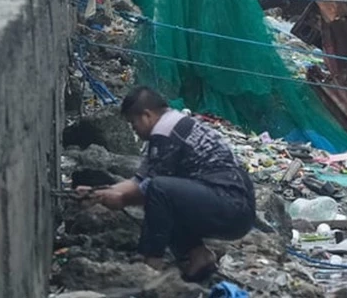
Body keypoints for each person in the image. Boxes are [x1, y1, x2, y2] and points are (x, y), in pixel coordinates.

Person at [77, 87, 256, 281]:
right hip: (233, 205)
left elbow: (152, 189)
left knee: (160, 192)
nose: (133, 129)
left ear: (146, 115)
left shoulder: (165, 132)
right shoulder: (171, 126)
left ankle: (151, 261)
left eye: (133, 123)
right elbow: (140, 180)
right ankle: (199, 256)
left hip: (230, 204)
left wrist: (122, 200)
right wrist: (98, 193)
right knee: (164, 193)